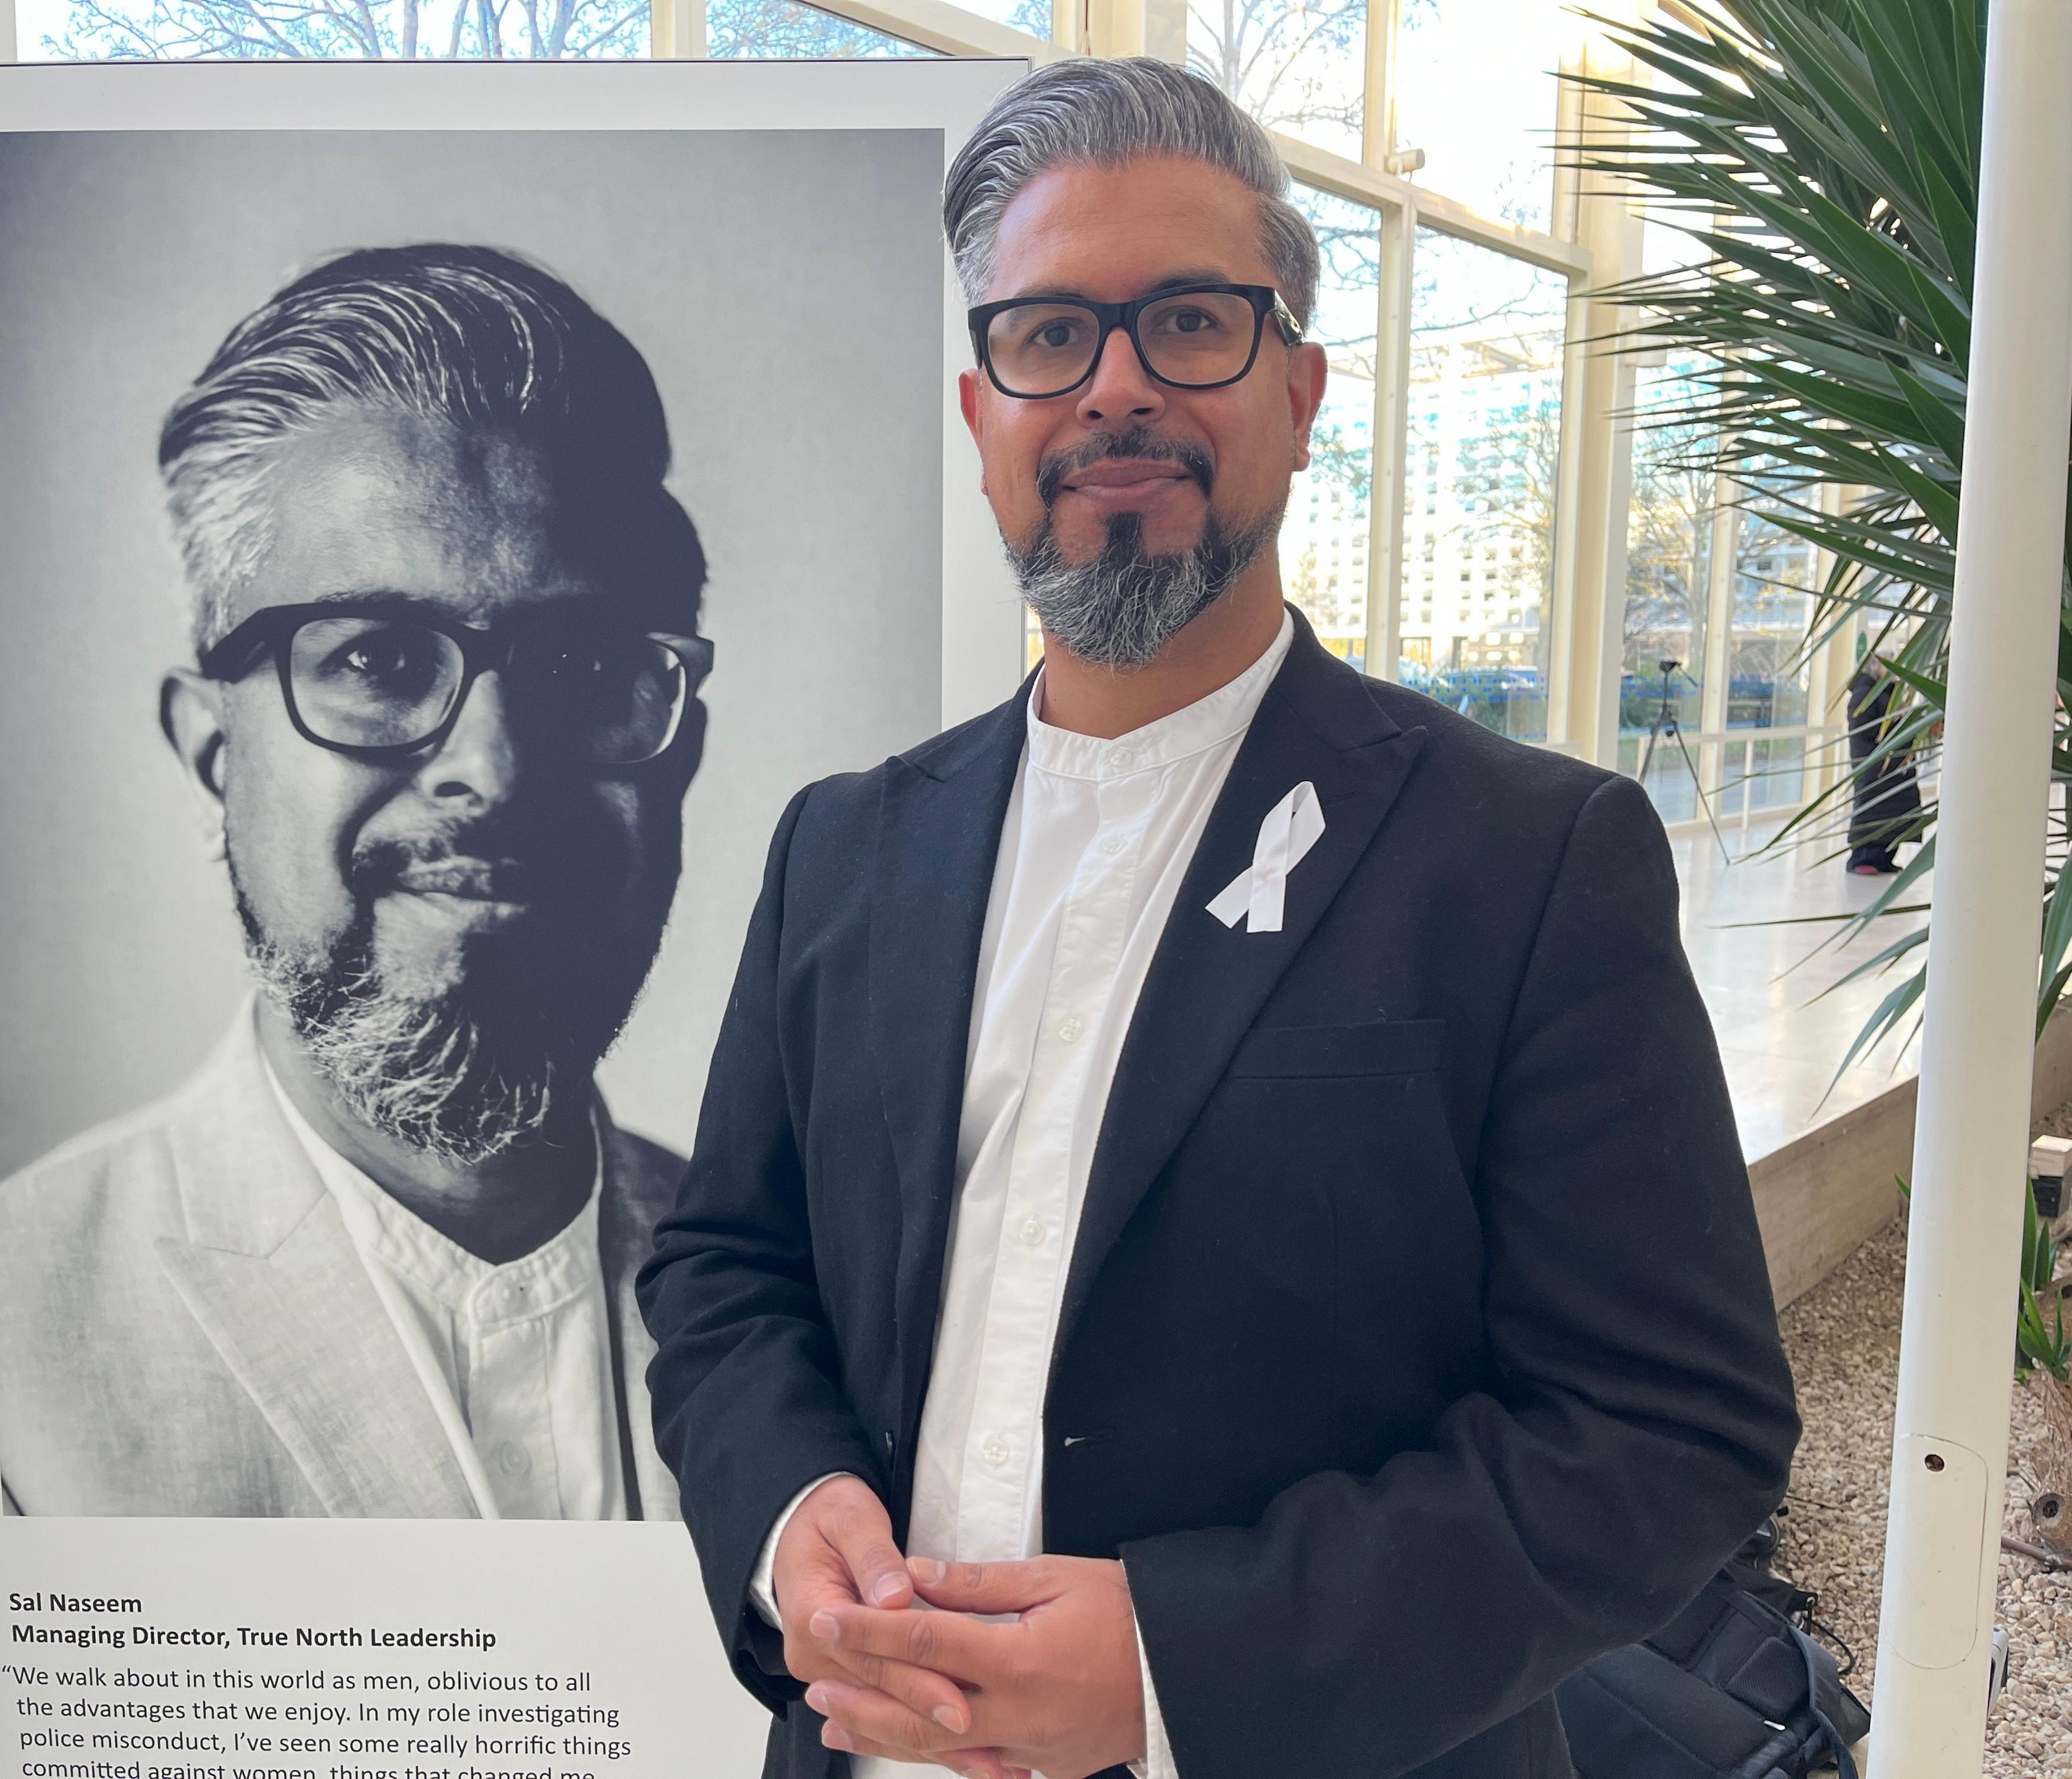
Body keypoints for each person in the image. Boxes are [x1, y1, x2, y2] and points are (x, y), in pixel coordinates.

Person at [638, 60, 1798, 1779]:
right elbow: (723, 1266)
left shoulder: (1525, 861)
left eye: (1189, 322)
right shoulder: (846, 848)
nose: (1114, 387)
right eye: (1048, 335)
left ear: (1300, 390)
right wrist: (787, 1506)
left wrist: (1177, 1666)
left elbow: (1668, 1428)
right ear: (980, 414)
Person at [0, 246, 709, 1520]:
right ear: (215, 753)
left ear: (682, 743)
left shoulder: (816, 1296)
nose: (492, 770)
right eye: (378, 660)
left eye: (587, 665)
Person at [1844, 639, 1920, 874]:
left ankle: (1885, 858)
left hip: (1894, 766)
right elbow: (1863, 727)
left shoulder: (1888, 692)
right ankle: (1863, 859)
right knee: (1874, 809)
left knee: (1896, 810)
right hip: (1875, 767)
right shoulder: (1864, 694)